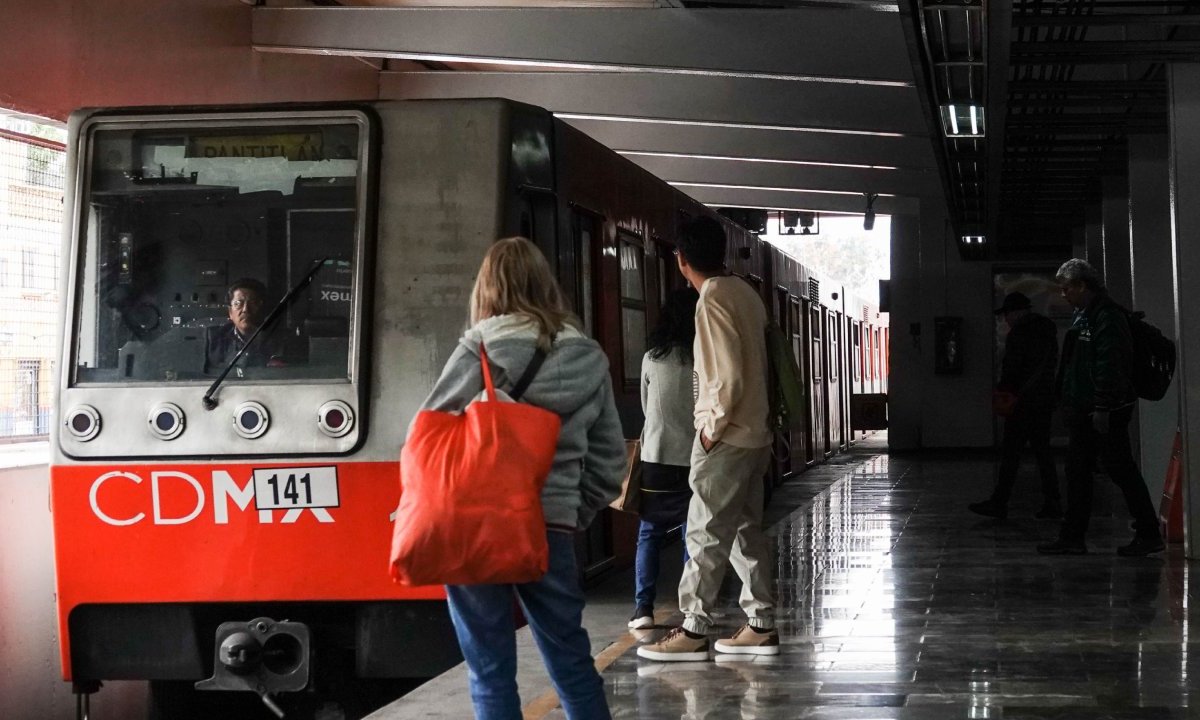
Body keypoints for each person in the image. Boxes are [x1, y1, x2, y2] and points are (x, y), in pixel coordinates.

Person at [414, 237, 626, 719]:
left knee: (489, 669)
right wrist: (573, 511)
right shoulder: (588, 357)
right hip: (552, 528)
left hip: (477, 526)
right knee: (571, 661)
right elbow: (611, 459)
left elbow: (425, 434)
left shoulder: (479, 349)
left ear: (487, 288)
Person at [637, 216, 778, 662]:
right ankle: (760, 624)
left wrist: (709, 430)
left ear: (681, 260)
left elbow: (726, 376)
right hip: (756, 434)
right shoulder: (745, 292)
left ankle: (694, 630)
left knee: (704, 532)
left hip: (729, 435)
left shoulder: (712, 298)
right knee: (744, 531)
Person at [1037, 258, 1164, 557]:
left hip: (1102, 410)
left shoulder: (1107, 317)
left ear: (1083, 285)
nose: (1064, 294)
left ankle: (1147, 533)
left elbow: (1110, 363)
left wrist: (1103, 407)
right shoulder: (1088, 316)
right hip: (1088, 409)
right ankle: (1074, 536)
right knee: (1081, 471)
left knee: (1118, 469)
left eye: (1067, 288)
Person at [628, 288, 700, 631]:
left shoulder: (651, 359)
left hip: (656, 458)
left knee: (649, 534)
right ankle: (691, 608)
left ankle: (643, 609)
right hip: (693, 459)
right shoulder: (702, 358)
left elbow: (646, 408)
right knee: (692, 534)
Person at [969, 291, 1062, 520]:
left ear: (1016, 312)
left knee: (1011, 454)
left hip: (1022, 403)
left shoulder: (1020, 333)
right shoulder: (1048, 330)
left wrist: (1004, 390)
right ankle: (1053, 502)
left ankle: (999, 502)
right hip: (1043, 400)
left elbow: (1013, 368)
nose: (1005, 319)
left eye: (1006, 315)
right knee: (1043, 454)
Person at [205, 277, 280, 372]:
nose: (245, 309)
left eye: (253, 303)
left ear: (264, 309)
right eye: (238, 303)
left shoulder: (282, 340)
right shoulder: (215, 341)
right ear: (230, 312)